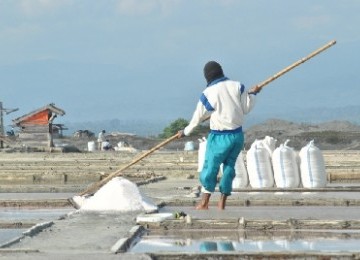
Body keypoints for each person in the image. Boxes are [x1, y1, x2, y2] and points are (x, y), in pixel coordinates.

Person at [177, 61, 261, 210]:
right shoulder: (238, 86)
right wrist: (252, 94)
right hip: (237, 136)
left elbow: (197, 117)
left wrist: (185, 132)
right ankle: (222, 203)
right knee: (229, 169)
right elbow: (246, 108)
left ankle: (204, 203)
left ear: (207, 76)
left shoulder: (209, 92)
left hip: (219, 138)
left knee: (210, 169)